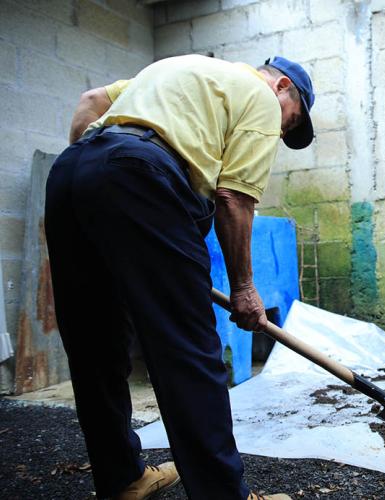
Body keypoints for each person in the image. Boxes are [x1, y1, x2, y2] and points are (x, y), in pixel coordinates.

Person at [44, 54, 315, 500]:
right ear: (283, 86)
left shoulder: (180, 69)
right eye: (293, 120)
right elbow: (233, 199)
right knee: (187, 350)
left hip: (71, 172)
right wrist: (244, 288)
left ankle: (123, 480)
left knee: (95, 345)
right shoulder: (262, 97)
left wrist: (94, 185)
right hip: (142, 176)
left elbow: (91, 101)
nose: (284, 131)